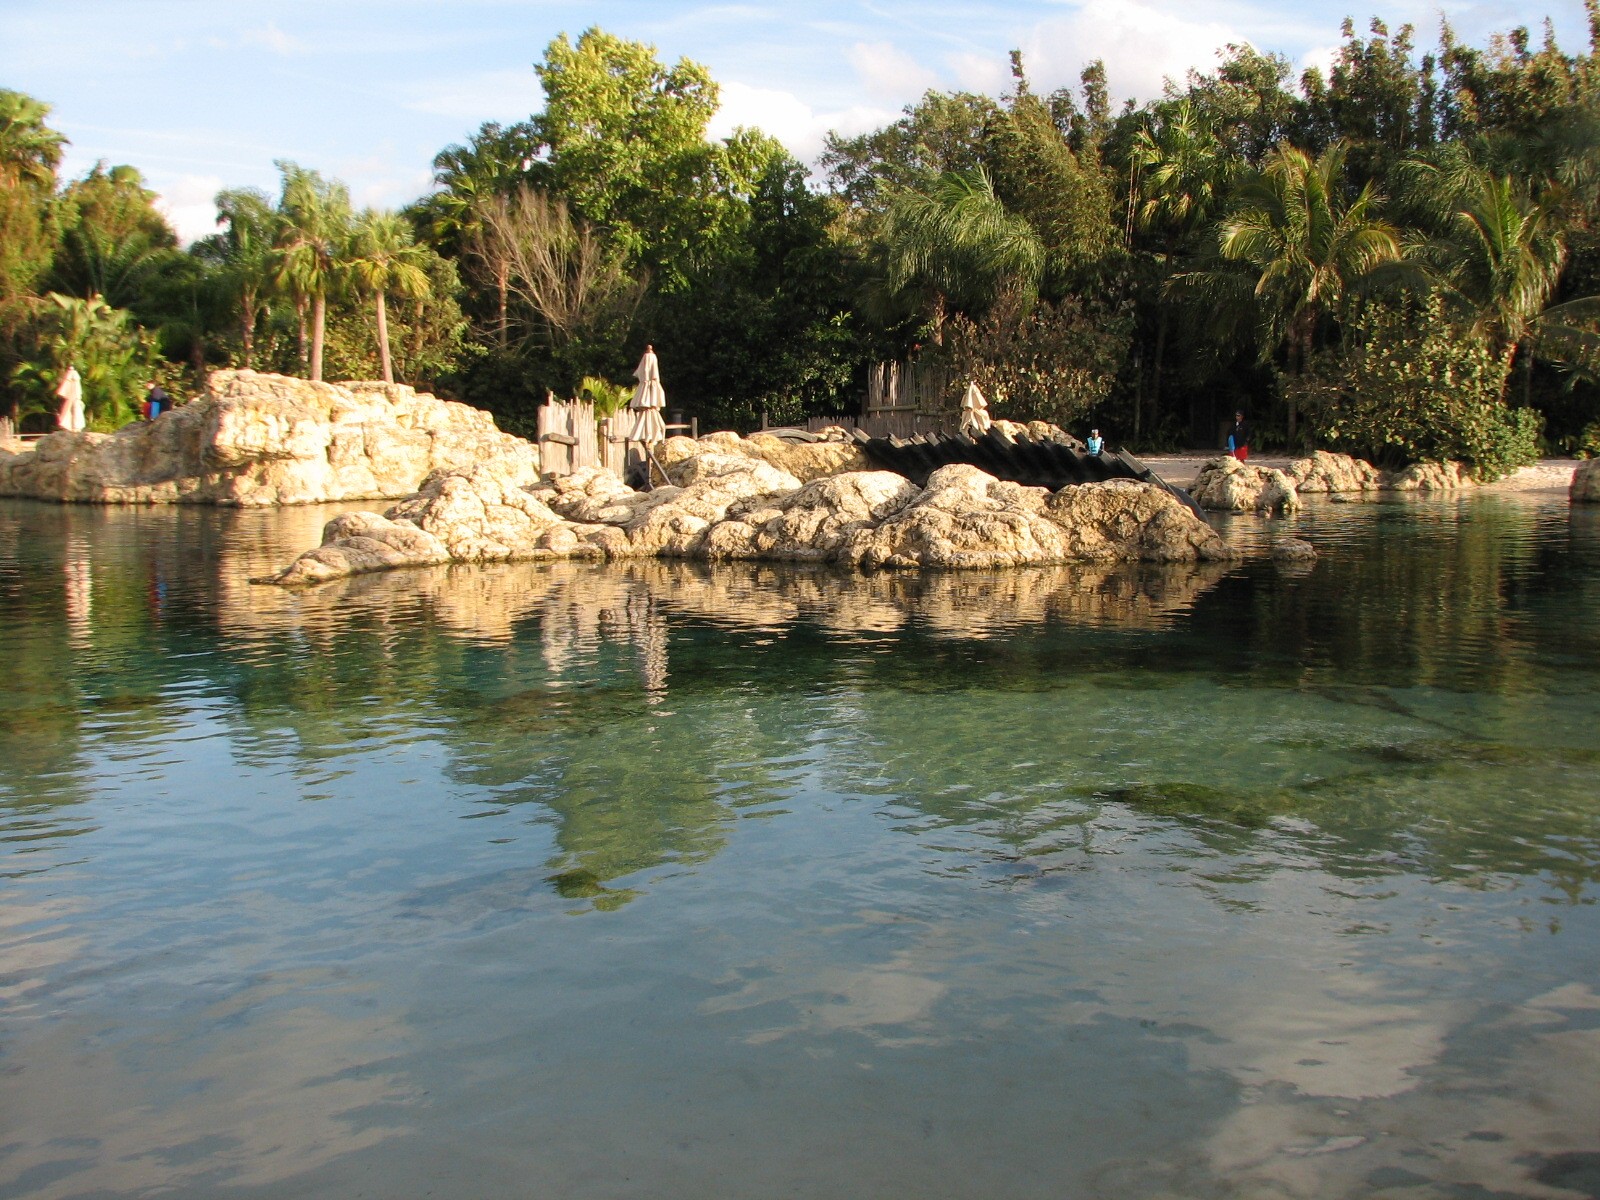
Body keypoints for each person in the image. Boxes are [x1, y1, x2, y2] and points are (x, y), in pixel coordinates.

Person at [55, 365, 85, 432]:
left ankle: (76, 426)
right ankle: (73, 426)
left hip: (74, 397)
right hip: (73, 397)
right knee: (71, 410)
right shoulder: (71, 378)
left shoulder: (72, 377)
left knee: (75, 410)